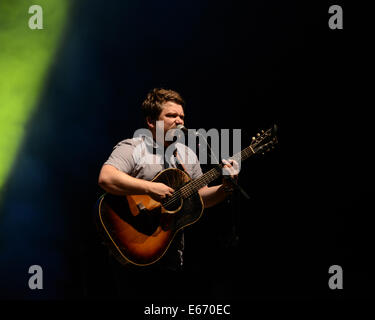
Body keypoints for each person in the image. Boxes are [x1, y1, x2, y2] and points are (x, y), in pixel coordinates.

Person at [97, 88, 238, 298]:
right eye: (171, 115)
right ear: (151, 122)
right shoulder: (134, 147)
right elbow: (106, 178)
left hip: (170, 255)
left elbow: (201, 198)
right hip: (133, 252)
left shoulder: (186, 155)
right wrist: (149, 187)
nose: (179, 121)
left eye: (182, 116)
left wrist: (226, 187)